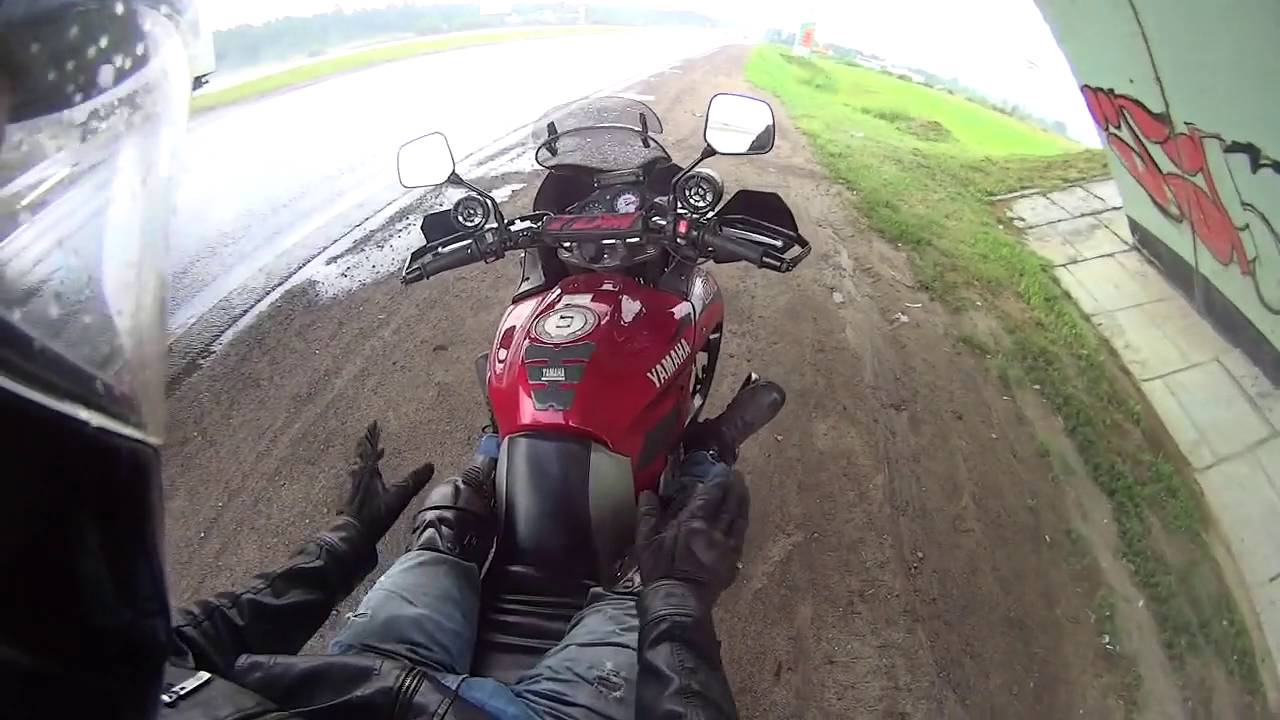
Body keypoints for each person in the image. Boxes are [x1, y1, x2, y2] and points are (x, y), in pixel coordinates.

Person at [0, 2, 779, 717]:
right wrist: (677, 605)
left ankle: (479, 486)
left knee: (449, 524)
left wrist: (340, 547)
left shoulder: (93, 674)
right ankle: (701, 465)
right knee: (647, 584)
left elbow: (180, 651)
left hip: (367, 669)